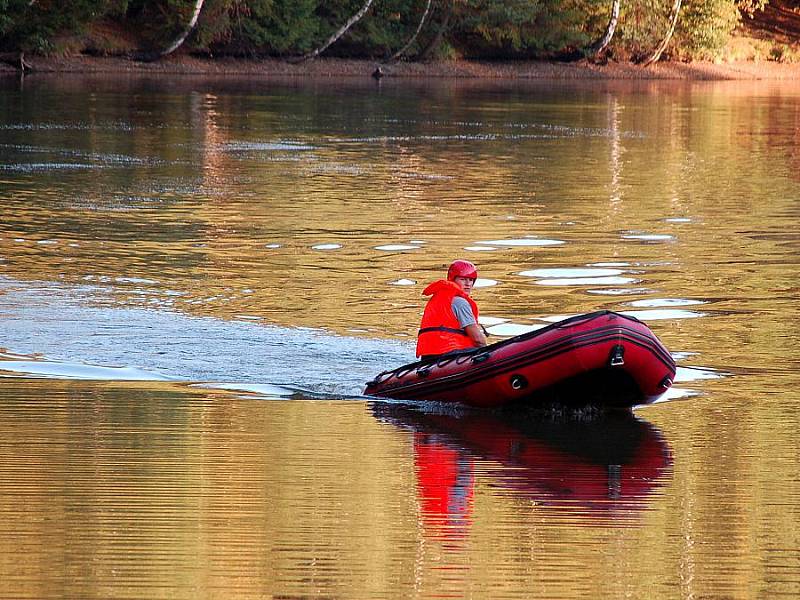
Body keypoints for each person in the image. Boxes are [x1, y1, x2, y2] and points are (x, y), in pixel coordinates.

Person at [416, 259, 488, 360]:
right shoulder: (460, 302)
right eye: (463, 279)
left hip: (428, 357)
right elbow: (478, 340)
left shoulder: (438, 299)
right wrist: (490, 354)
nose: (468, 284)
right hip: (450, 353)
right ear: (453, 280)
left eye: (471, 280)